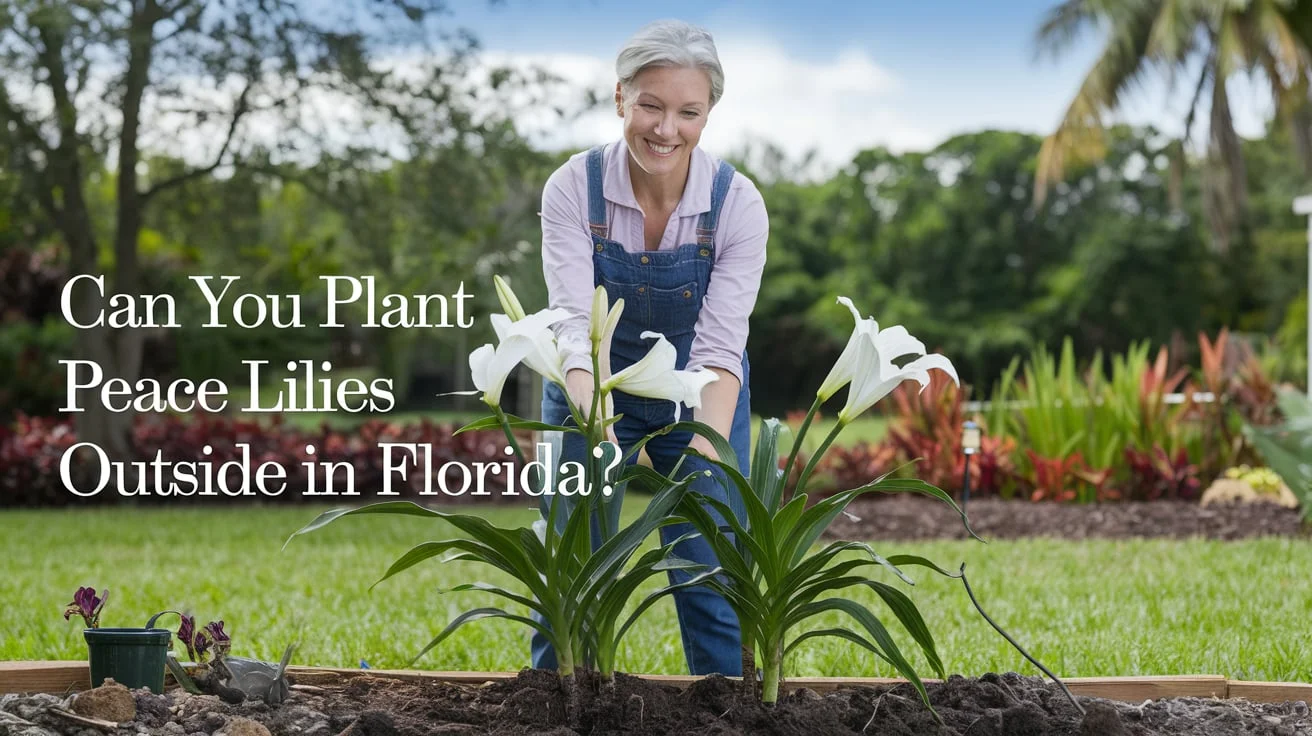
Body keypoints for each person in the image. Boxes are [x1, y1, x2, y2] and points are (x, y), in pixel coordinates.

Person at [534, 19, 769, 677]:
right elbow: (574, 326)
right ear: (620, 99)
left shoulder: (736, 205)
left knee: (708, 560)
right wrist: (593, 414)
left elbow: (722, 348)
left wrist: (704, 451)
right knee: (572, 560)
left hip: (697, 387)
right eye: (651, 106)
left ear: (708, 113)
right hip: (593, 379)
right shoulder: (572, 189)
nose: (667, 128)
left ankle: (723, 703)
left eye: (688, 112)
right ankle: (556, 697)